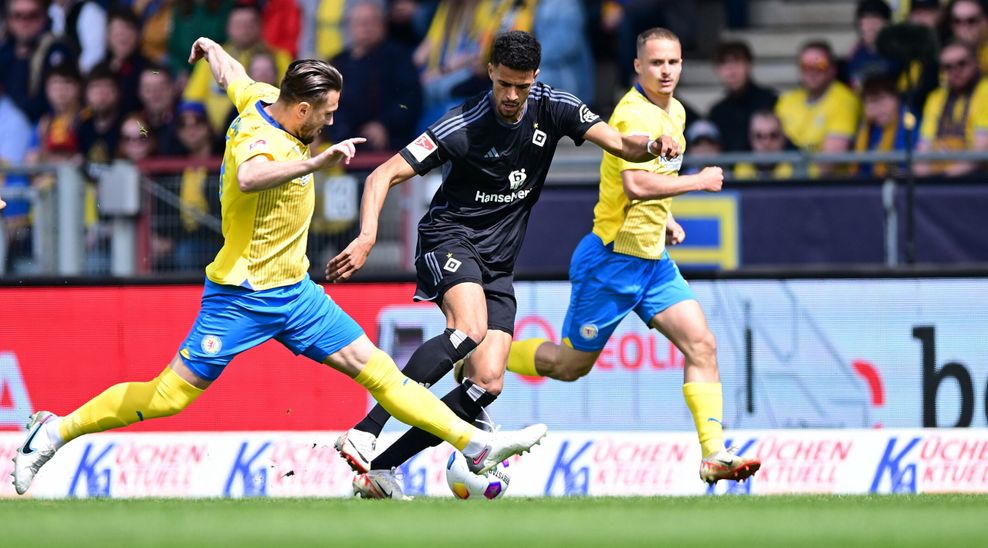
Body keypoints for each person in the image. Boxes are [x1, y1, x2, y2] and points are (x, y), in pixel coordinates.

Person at [11, 36, 547, 497]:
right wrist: (313, 163)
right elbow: (249, 177)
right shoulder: (260, 140)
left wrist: (215, 52)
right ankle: (54, 432)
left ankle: (474, 444)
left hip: (297, 294)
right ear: (303, 109)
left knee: (382, 372)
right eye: (328, 112)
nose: (333, 120)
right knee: (167, 397)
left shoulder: (267, 98)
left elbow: (235, 77)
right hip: (241, 296)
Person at [326, 29, 684, 499]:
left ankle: (381, 469)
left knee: (487, 382)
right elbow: (383, 173)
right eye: (504, 85)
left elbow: (620, 143)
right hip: (448, 238)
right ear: (490, 72)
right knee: (468, 330)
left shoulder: (554, 106)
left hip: (498, 260)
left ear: (535, 77)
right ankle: (366, 430)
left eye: (522, 85)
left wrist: (654, 145)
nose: (512, 96)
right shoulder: (462, 124)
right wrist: (368, 235)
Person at [502, 27, 761, 486]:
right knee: (569, 366)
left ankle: (714, 453)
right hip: (610, 261)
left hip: (653, 262)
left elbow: (651, 188)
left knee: (701, 344)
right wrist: (697, 182)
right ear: (638, 66)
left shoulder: (676, 110)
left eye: (674, 62)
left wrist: (665, 220)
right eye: (656, 63)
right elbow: (636, 185)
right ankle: (490, 353)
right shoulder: (630, 115)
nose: (666, 71)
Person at [775, 41, 860, 176]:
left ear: (833, 69)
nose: (811, 72)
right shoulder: (786, 101)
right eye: (805, 66)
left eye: (819, 65)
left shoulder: (845, 100)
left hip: (825, 187)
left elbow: (829, 163)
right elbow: (769, 146)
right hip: (781, 183)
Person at [914, 40, 988, 176]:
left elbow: (981, 152)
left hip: (977, 179)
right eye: (948, 67)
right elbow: (923, 148)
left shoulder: (985, 92)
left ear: (975, 63)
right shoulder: (935, 98)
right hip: (939, 178)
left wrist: (944, 176)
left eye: (962, 63)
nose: (955, 71)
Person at [708, 40, 777, 152]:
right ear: (717, 70)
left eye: (737, 62)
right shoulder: (716, 112)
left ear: (749, 65)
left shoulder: (771, 102)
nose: (731, 71)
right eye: (724, 63)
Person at [734, 109, 794, 180]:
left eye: (773, 135)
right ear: (750, 138)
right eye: (759, 136)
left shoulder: (799, 171)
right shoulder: (736, 174)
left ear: (783, 138)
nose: (766, 143)